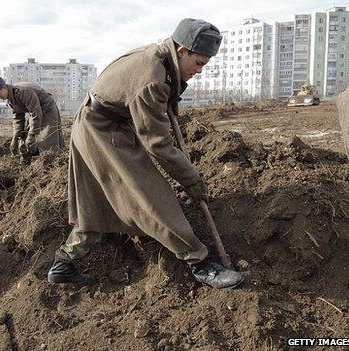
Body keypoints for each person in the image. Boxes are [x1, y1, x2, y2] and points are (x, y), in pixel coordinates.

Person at [47, 18, 244, 290]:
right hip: (102, 131)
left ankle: (63, 265)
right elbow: (158, 144)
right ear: (182, 51)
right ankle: (200, 263)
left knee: (96, 201)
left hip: (98, 123)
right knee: (150, 195)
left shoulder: (159, 59)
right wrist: (190, 180)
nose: (200, 71)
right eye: (199, 63)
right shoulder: (152, 78)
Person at [0, 77, 65, 160]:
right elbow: (18, 117)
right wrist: (16, 138)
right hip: (35, 112)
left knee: (47, 137)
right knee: (25, 137)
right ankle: (27, 161)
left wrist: (32, 135)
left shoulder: (22, 91)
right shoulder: (10, 99)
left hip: (47, 109)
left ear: (4, 88)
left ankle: (52, 160)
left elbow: (36, 113)